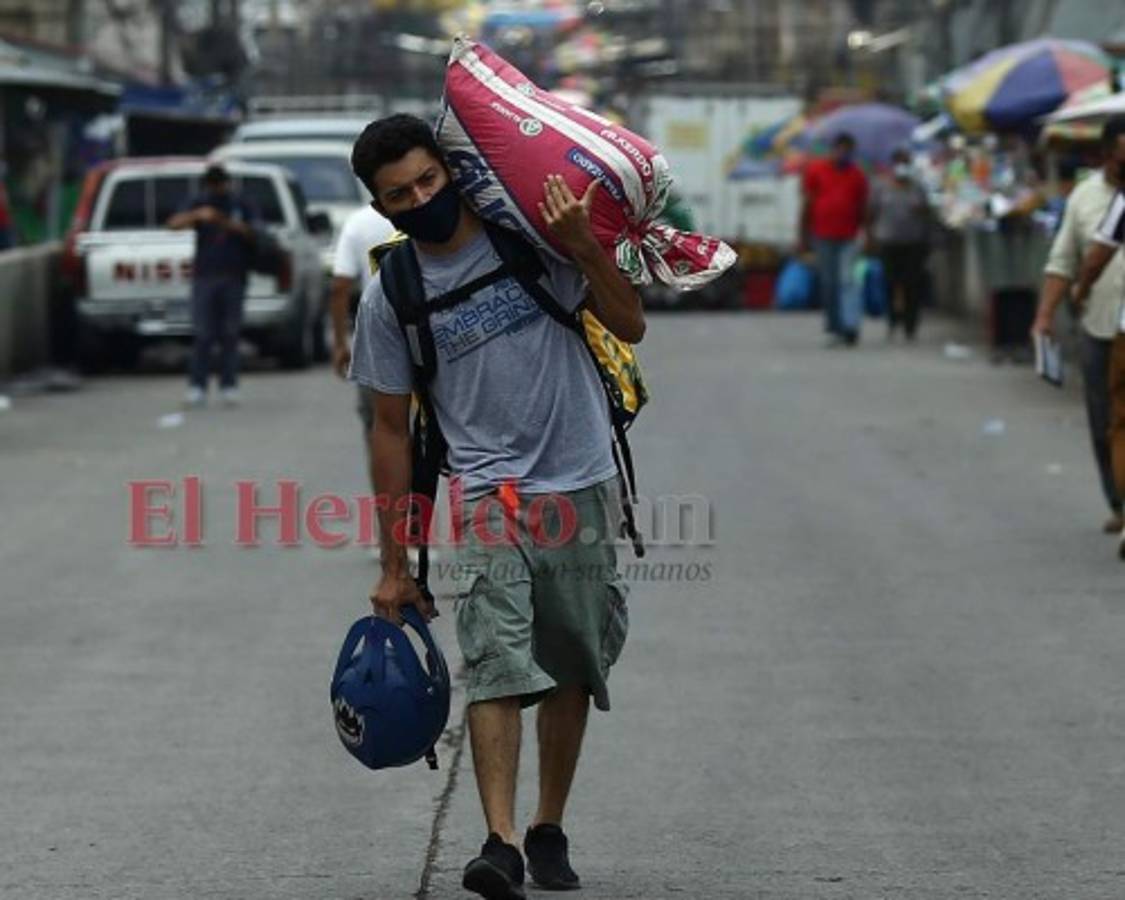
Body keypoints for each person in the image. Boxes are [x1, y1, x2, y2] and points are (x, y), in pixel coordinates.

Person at [348, 114, 643, 899]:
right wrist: (393, 564)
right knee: (494, 665)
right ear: (383, 211)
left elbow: (629, 322)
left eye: (427, 181)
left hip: (578, 481)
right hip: (484, 495)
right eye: (399, 195)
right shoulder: (393, 295)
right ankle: (500, 843)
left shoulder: (532, 241)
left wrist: (582, 244)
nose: (419, 199)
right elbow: (386, 429)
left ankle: (546, 826)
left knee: (572, 663)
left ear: (449, 173)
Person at [1032, 116, 1125, 538]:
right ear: (1105, 154)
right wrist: (1046, 314)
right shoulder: (1085, 199)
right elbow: (1067, 262)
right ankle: (1119, 502)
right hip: (1101, 328)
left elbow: (1095, 260)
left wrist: (1082, 284)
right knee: (1106, 422)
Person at [167, 164, 258, 407]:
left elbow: (255, 233)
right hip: (205, 276)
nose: (218, 189)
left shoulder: (239, 203)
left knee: (230, 334)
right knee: (203, 334)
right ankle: (197, 386)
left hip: (234, 275)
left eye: (221, 183)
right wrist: (199, 215)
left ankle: (229, 385)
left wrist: (226, 223)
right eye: (213, 184)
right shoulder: (199, 202)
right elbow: (173, 223)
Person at [329, 202, 395, 495]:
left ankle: (390, 525)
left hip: (376, 346)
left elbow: (341, 284)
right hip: (425, 341)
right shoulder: (428, 211)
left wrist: (341, 343)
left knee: (380, 433)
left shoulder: (357, 223)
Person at [801, 132, 868, 346]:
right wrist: (802, 234)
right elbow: (808, 204)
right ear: (834, 149)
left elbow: (863, 207)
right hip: (823, 235)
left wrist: (867, 233)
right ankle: (834, 325)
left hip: (849, 235)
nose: (844, 154)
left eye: (848, 151)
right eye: (841, 149)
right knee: (829, 282)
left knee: (847, 281)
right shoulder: (816, 171)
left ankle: (850, 326)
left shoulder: (857, 175)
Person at [867, 148, 931, 340]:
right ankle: (893, 320)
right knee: (889, 283)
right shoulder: (881, 186)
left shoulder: (918, 187)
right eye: (899, 163)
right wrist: (870, 237)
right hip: (888, 242)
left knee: (912, 284)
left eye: (905, 163)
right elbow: (871, 212)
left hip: (913, 242)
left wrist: (921, 210)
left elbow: (927, 212)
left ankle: (910, 324)